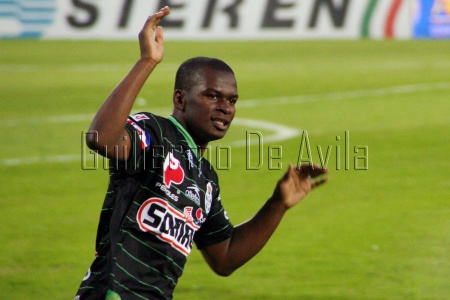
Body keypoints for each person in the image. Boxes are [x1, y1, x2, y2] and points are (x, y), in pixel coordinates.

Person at [75, 6, 328, 300]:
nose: (226, 107)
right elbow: (100, 138)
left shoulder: (205, 179)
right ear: (180, 99)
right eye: (212, 96)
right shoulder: (153, 134)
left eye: (232, 100)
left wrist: (277, 204)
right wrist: (147, 61)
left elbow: (225, 257)